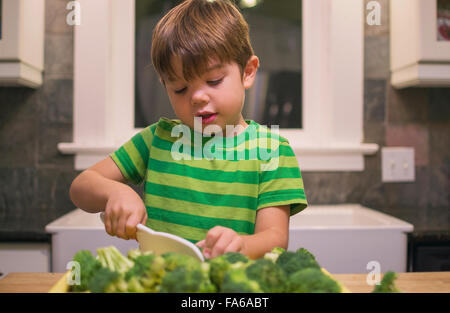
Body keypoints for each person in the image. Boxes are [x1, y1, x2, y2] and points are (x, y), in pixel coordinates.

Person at [69, 0, 307, 260]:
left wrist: (242, 245)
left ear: (248, 72)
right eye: (180, 88)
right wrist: (116, 191)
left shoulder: (272, 150)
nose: (196, 97)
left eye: (213, 81)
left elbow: (275, 239)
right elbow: (81, 187)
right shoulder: (156, 140)